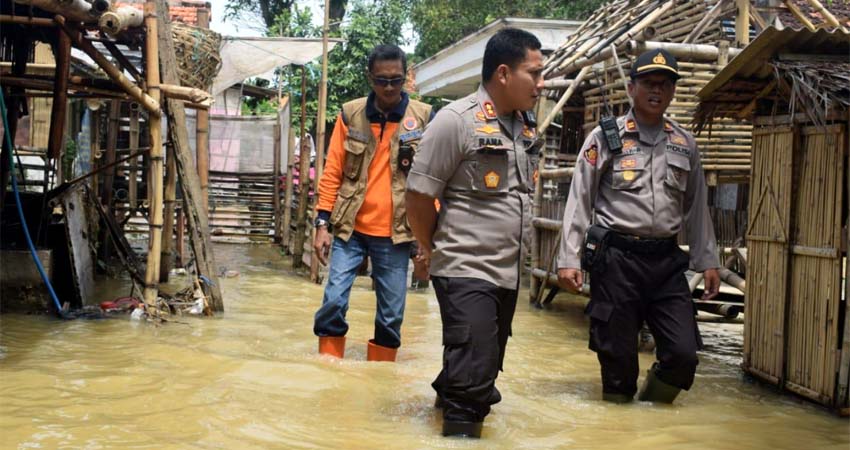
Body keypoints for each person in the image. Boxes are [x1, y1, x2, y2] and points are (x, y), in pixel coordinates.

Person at [556, 49, 721, 404]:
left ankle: (653, 405)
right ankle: (622, 428)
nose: (656, 90)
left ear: (673, 91)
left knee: (683, 355)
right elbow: (579, 200)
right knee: (617, 368)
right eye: (648, 83)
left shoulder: (684, 143)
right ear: (631, 88)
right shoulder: (606, 138)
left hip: (665, 261)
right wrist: (568, 258)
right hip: (616, 260)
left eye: (665, 84)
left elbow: (696, 207)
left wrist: (709, 261)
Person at [406, 28, 544, 438]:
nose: (541, 83)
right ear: (503, 73)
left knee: (477, 366)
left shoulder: (524, 126)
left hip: (506, 274)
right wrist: (432, 248)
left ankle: (441, 411)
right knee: (474, 384)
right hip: (465, 268)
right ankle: (460, 425)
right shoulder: (456, 121)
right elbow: (417, 196)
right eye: (534, 74)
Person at [312, 44, 432, 362]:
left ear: (406, 77)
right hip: (349, 228)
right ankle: (327, 370)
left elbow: (433, 181)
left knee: (391, 316)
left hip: (396, 234)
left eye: (396, 80)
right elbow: (333, 170)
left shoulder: (422, 118)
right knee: (333, 300)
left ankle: (380, 379)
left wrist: (427, 237)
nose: (389, 87)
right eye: (382, 80)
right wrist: (321, 223)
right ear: (370, 78)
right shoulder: (351, 114)